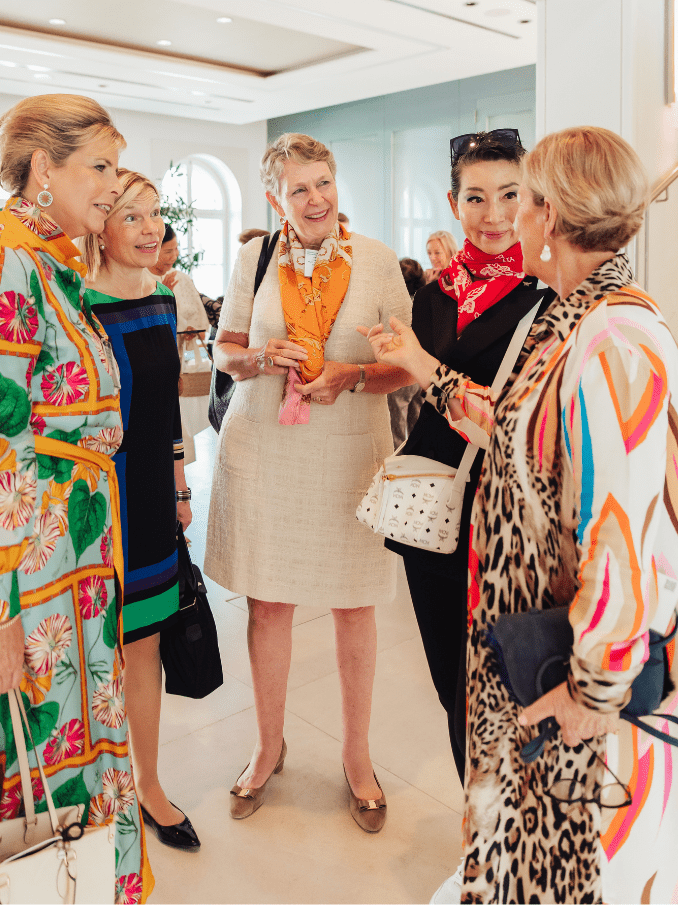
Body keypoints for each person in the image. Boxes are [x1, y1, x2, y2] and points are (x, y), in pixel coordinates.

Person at [364, 126, 678, 904]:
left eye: (524, 198)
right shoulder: (574, 315)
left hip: (576, 674)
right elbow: (509, 421)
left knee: (577, 868)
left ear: (552, 213)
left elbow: (621, 529)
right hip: (534, 642)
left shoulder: (613, 339)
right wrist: (423, 370)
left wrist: (591, 692)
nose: (510, 218)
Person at [0, 95, 153, 902]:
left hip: (71, 566)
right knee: (21, 758)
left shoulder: (51, 264)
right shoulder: (0, 263)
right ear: (45, 168)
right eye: (98, 166)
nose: (111, 185)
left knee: (75, 734)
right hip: (24, 580)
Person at [205, 132, 412, 833]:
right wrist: (259, 355)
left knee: (357, 604)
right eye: (299, 188)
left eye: (323, 182)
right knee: (268, 604)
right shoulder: (251, 258)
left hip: (352, 449)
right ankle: (268, 746)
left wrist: (351, 375)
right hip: (266, 444)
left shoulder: (379, 262)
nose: (316, 198)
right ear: (276, 198)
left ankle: (358, 756)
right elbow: (222, 347)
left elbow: (406, 366)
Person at [383, 130, 552, 800]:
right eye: (476, 197)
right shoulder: (434, 295)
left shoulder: (547, 294)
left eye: (509, 194)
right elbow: (421, 393)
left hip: (505, 516)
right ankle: (475, 818)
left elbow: (525, 420)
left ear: (532, 195)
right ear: (453, 203)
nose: (493, 213)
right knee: (450, 677)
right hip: (432, 512)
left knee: (501, 680)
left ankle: (504, 822)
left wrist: (427, 370)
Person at [82, 171, 200, 852]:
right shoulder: (78, 304)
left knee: (143, 646)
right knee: (92, 650)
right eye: (132, 216)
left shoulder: (159, 300)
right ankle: (96, 784)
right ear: (100, 223)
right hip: (96, 503)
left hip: (152, 500)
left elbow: (168, 408)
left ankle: (147, 782)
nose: (150, 227)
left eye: (155, 215)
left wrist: (181, 483)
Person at [149, 223, 220, 351]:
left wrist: (191, 332)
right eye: (168, 251)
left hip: (185, 359)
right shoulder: (139, 280)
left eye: (176, 249)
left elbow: (202, 331)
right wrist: (162, 298)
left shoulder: (182, 279)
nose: (175, 256)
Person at [386, 258, 427, 446]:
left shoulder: (397, 309)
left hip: (401, 370)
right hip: (420, 370)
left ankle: (398, 460)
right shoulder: (424, 304)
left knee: (397, 423)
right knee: (417, 420)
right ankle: (416, 454)